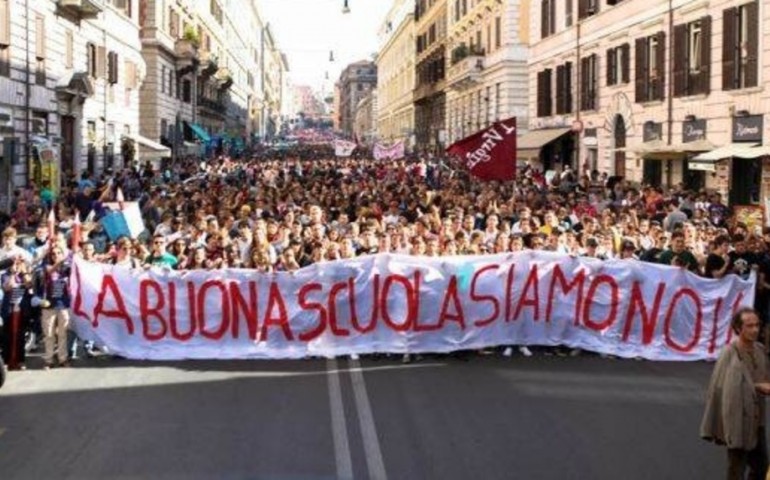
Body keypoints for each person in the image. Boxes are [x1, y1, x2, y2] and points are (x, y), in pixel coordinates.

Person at [700, 308, 770, 480]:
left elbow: (765, 378)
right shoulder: (729, 353)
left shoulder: (760, 350)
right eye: (749, 326)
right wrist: (757, 387)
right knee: (736, 470)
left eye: (757, 325)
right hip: (737, 421)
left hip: (757, 421)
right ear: (738, 329)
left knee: (761, 467)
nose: (755, 330)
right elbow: (723, 389)